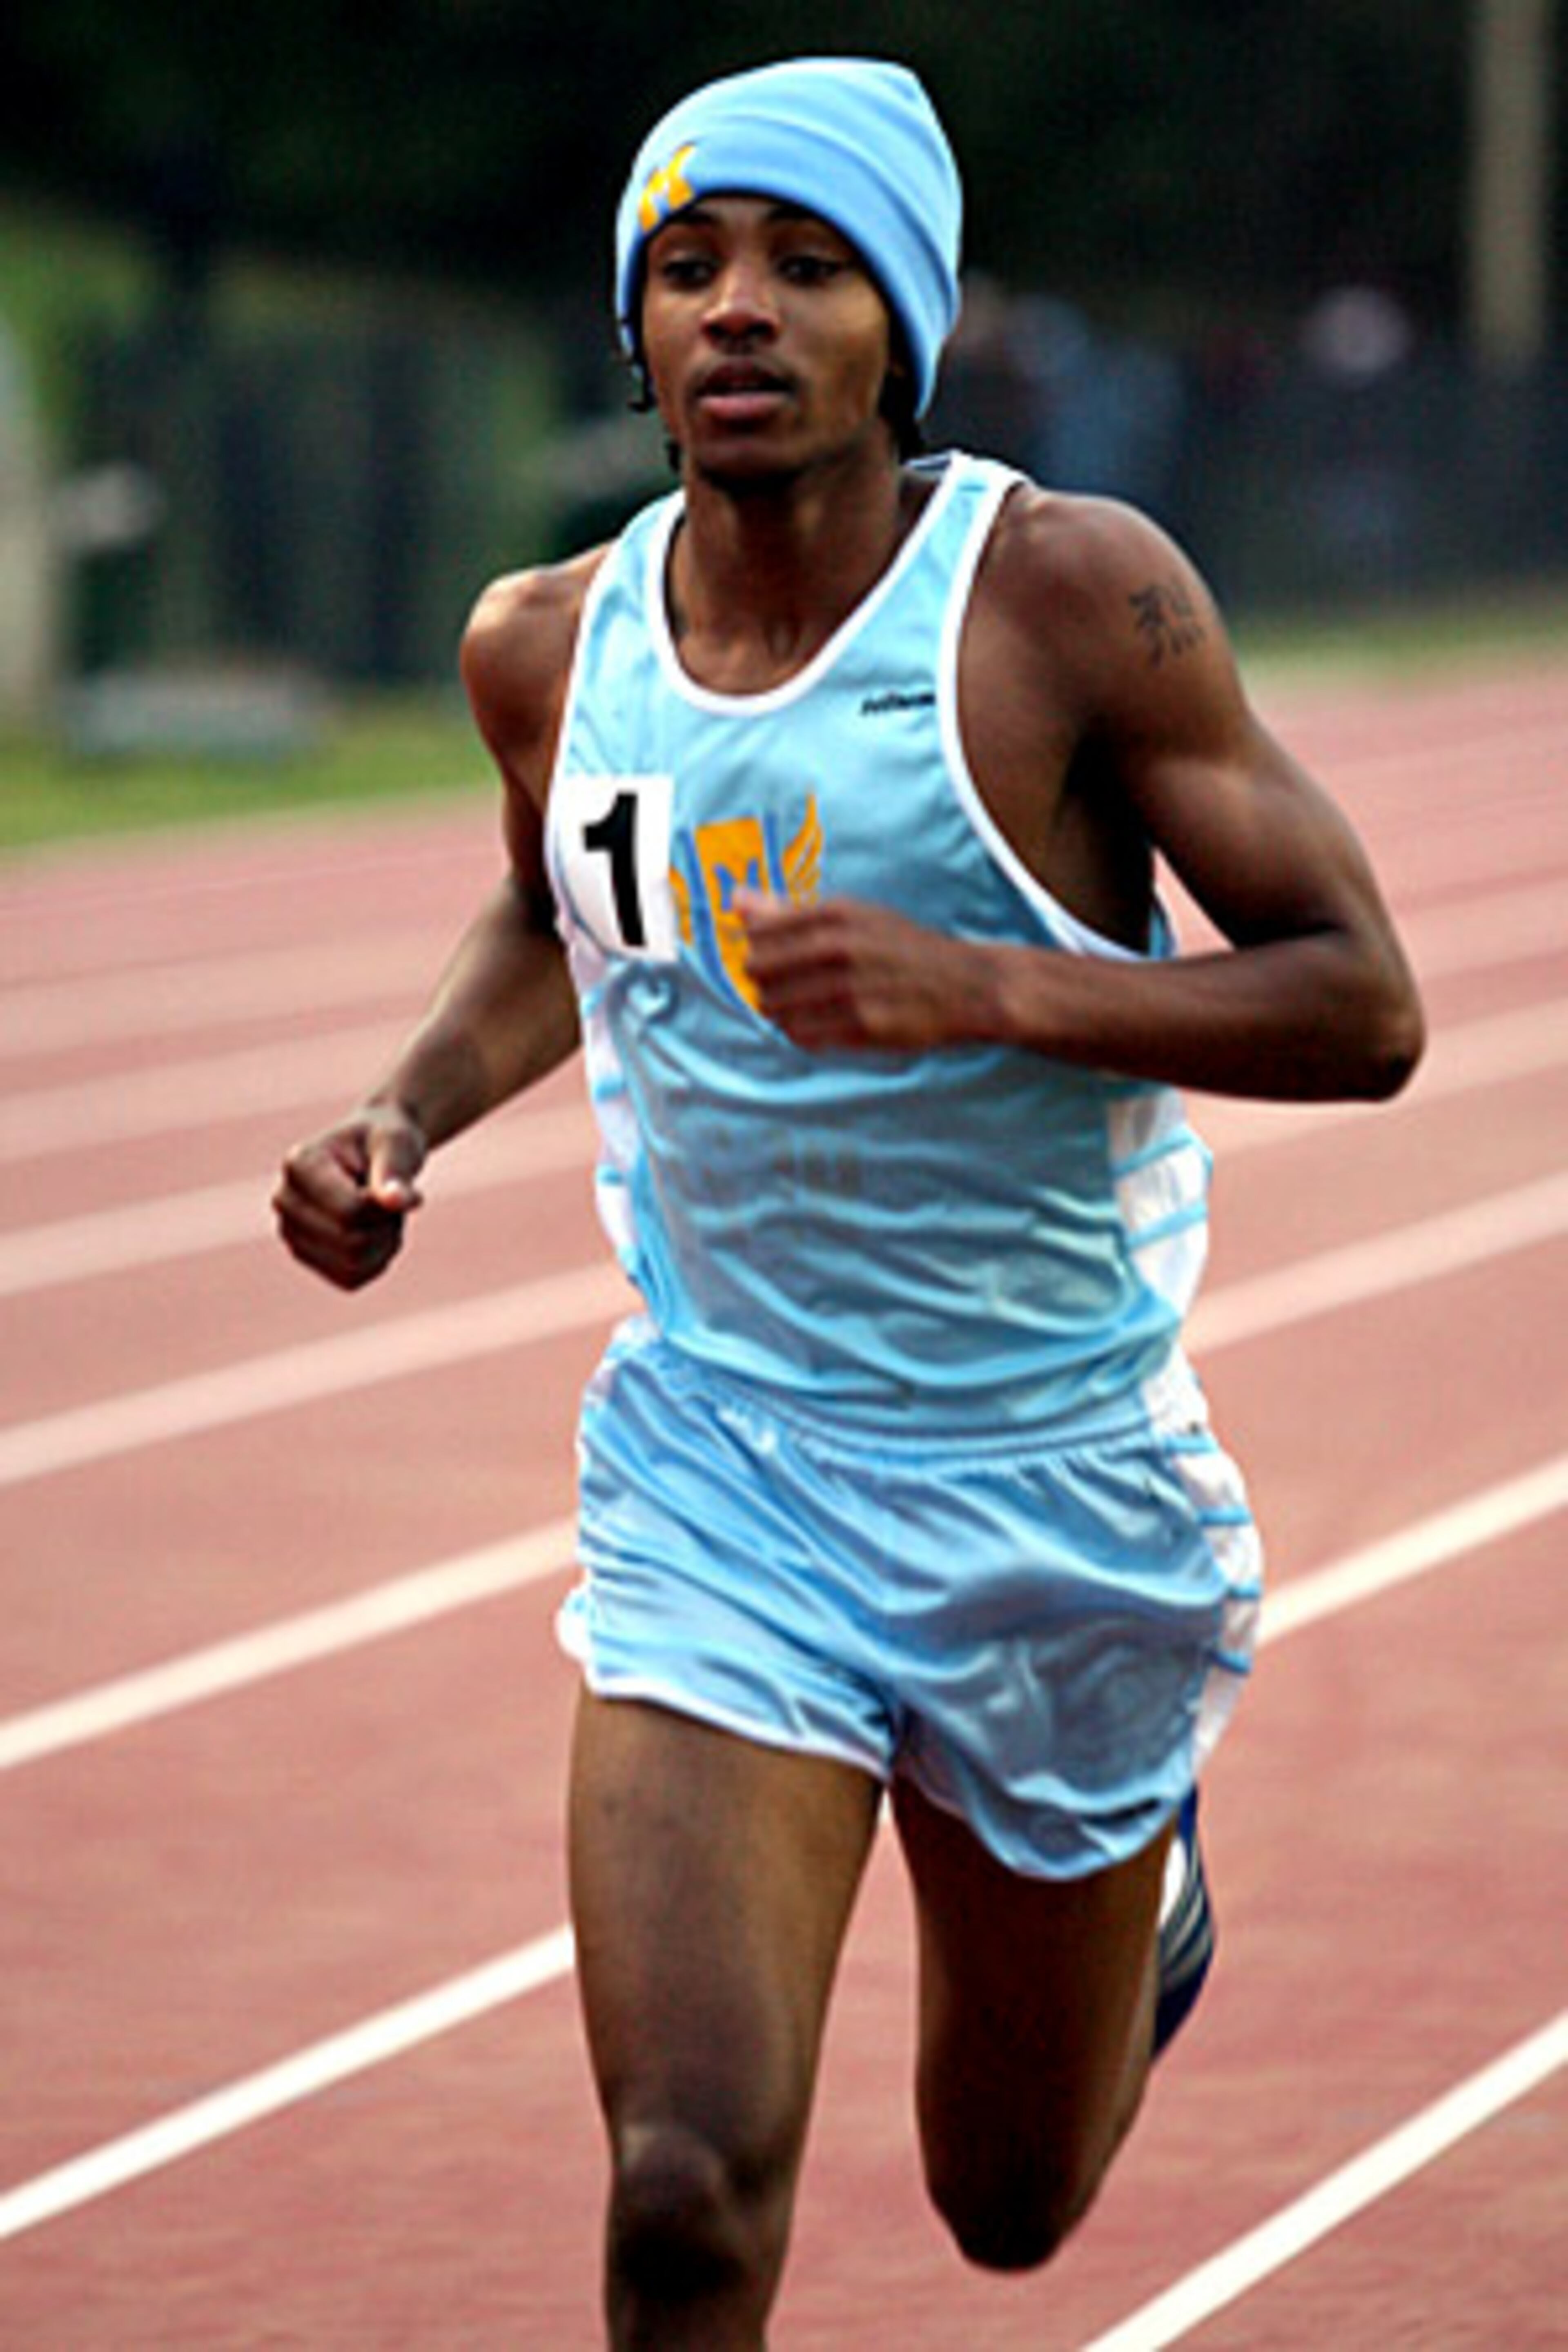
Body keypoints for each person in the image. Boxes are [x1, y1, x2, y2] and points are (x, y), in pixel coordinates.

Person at [274, 56, 1424, 2346]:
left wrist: (992, 983)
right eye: (687, 267)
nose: (738, 314)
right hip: (729, 1466)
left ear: (896, 321)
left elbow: (1364, 1003)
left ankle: (1148, 1881)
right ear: (635, 325)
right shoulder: (548, 647)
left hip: (1053, 1487)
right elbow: (554, 925)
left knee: (1008, 2206)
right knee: (686, 2191)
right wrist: (404, 1110)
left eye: (806, 267)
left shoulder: (1069, 605)